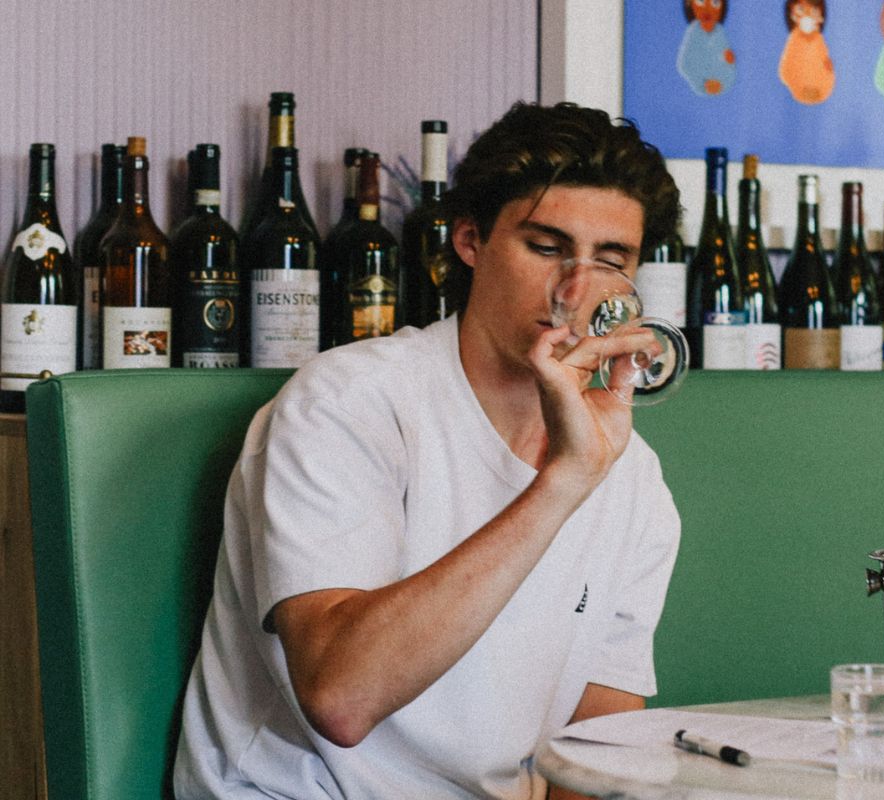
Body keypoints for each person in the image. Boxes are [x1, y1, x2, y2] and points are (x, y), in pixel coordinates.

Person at [173, 102, 683, 799]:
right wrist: (562, 482)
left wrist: (585, 466)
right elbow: (341, 698)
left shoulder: (633, 476)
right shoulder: (348, 403)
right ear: (470, 240)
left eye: (610, 261)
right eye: (545, 247)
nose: (575, 291)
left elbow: (596, 746)